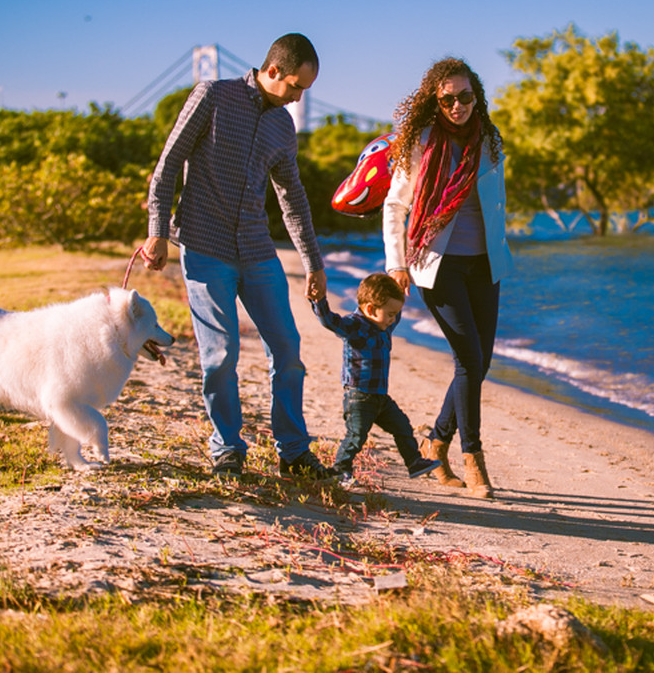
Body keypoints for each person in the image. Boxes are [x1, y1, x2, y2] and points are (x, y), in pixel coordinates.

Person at [142, 32, 332, 480]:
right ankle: (227, 447)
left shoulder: (284, 127)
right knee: (221, 354)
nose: (299, 97)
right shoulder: (213, 95)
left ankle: (294, 452)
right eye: (296, 87)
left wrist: (314, 262)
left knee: (287, 349)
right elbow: (168, 166)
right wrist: (157, 234)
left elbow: (293, 199)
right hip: (205, 248)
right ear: (272, 71)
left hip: (258, 250)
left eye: (306, 90)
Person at [382, 57, 514, 499]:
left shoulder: (490, 142)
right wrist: (396, 263)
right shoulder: (420, 142)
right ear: (434, 101)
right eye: (448, 99)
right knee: (469, 361)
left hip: (485, 264)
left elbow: (496, 206)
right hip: (436, 265)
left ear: (477, 97)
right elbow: (395, 206)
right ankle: (473, 459)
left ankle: (434, 444)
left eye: (465, 97)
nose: (458, 106)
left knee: (480, 362)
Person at [309, 273, 441, 487]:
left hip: (380, 397)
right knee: (356, 436)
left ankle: (414, 462)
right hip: (359, 396)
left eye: (395, 314)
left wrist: (399, 283)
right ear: (370, 309)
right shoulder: (355, 325)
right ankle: (340, 470)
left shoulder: (383, 324)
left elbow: (393, 309)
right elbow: (330, 322)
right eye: (390, 314)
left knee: (402, 426)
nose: (393, 319)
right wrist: (319, 301)